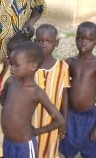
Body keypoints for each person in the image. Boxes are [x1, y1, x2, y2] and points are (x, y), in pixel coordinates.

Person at [0, 41, 64, 158]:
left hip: (24, 146)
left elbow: (59, 120)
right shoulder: (10, 82)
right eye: (11, 63)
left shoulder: (36, 92)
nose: (12, 68)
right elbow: (2, 99)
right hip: (7, 142)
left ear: (33, 66)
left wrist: (36, 132)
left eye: (16, 65)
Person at [59, 21, 96, 158]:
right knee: (68, 149)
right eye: (80, 39)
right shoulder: (69, 62)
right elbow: (65, 92)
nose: (83, 43)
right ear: (75, 39)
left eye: (89, 39)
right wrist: (63, 119)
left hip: (90, 117)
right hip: (71, 115)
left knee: (91, 150)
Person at [0, 32, 31, 158]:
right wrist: (4, 69)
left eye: (13, 52)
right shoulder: (4, 66)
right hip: (0, 114)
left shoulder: (28, 72)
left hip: (16, 119)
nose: (9, 55)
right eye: (8, 51)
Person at [33, 23, 70, 158]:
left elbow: (64, 96)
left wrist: (64, 122)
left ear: (57, 43)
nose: (44, 45)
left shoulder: (62, 67)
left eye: (48, 41)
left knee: (49, 151)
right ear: (34, 41)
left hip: (52, 122)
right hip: (31, 121)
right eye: (40, 41)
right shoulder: (30, 64)